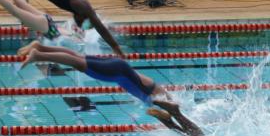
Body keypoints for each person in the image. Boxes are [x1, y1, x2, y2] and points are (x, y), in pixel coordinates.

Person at [19, 43, 167, 103]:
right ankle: (39, 55)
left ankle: (41, 47)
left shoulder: (157, 90)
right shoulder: (157, 100)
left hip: (118, 67)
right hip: (116, 72)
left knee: (76, 57)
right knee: (76, 62)